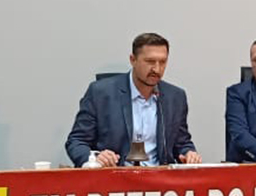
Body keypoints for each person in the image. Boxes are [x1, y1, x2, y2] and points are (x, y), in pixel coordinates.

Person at [66, 33, 201, 167]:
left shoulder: (175, 97)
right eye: (150, 61)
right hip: (115, 175)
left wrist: (188, 154)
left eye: (162, 62)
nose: (157, 69)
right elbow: (77, 141)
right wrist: (95, 158)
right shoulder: (101, 93)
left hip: (159, 176)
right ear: (133, 60)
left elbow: (182, 143)